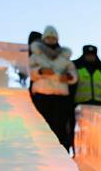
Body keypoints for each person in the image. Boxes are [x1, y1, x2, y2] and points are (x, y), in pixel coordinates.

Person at [29, 25, 77, 154]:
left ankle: (61, 153)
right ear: (44, 38)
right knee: (42, 125)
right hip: (42, 94)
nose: (51, 40)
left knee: (59, 126)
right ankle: (40, 152)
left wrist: (68, 77)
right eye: (48, 37)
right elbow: (30, 72)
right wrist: (40, 71)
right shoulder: (36, 55)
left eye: (53, 37)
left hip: (60, 96)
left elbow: (74, 75)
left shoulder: (64, 57)